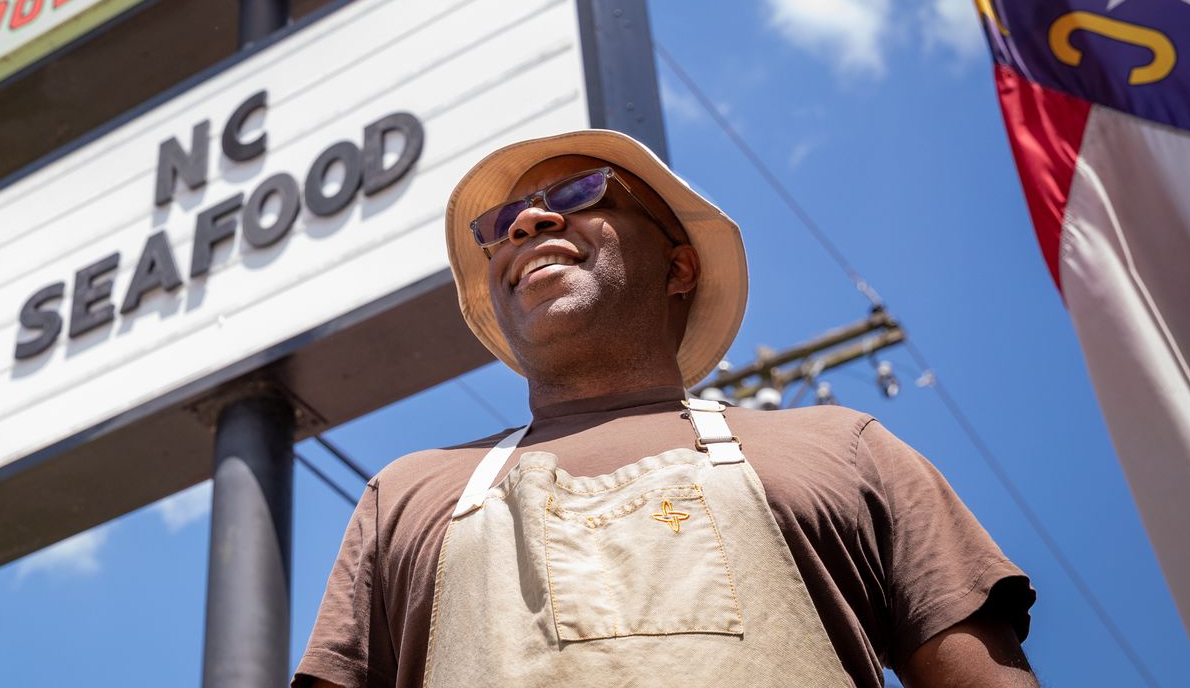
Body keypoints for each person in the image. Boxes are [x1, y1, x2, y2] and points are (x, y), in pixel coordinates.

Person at [295, 129, 1037, 687]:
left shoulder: (845, 448)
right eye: (503, 225)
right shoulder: (405, 495)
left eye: (579, 195)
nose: (526, 226)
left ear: (678, 266)